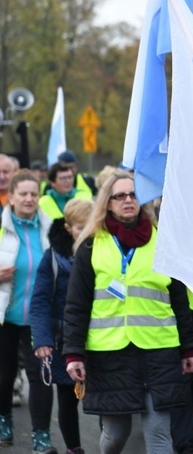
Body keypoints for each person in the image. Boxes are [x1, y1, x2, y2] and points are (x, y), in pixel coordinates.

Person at [63, 170, 193, 454]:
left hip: (159, 351)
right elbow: (76, 305)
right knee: (115, 434)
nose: (128, 200)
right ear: (107, 203)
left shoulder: (163, 241)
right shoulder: (91, 245)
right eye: (120, 195)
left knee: (159, 433)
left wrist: (188, 349)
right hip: (110, 354)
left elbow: (179, 301)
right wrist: (74, 354)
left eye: (134, 194)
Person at [30, 199, 93, 454]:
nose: (87, 234)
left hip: (100, 335)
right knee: (68, 399)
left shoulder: (100, 250)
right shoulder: (53, 258)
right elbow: (41, 301)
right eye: (80, 228)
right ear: (68, 227)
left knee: (102, 398)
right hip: (64, 338)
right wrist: (42, 339)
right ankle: (74, 449)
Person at [0, 170, 53, 450]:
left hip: (39, 319)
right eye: (23, 194)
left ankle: (41, 434)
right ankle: (3, 419)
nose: (29, 199)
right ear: (11, 197)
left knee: (42, 377)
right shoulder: (1, 226)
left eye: (34, 193)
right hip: (5, 316)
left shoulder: (51, 228)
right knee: (4, 374)